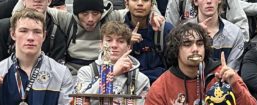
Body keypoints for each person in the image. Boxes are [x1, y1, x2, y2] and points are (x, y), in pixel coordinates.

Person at [18, 0, 163, 75]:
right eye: (85, 14)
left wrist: (155, 13)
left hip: (107, 72)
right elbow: (37, 6)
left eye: (95, 13)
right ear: (76, 13)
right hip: (73, 76)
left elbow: (138, 8)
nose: (90, 19)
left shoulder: (111, 18)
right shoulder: (67, 20)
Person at [0, 0, 67, 84]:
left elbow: (57, 78)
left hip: (41, 93)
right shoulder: (2, 28)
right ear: (13, 34)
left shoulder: (57, 33)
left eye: (37, 32)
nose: (30, 37)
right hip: (4, 92)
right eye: (23, 31)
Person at [119, 0, 174, 83]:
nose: (140, 3)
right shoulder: (117, 32)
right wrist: (126, 44)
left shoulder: (164, 30)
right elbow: (110, 65)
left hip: (159, 86)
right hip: (127, 88)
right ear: (126, 2)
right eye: (135, 0)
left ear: (152, 4)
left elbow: (175, 66)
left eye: (145, 0)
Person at [188, 0, 245, 71]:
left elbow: (232, 72)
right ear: (195, 1)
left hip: (224, 80)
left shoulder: (235, 33)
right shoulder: (183, 32)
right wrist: (197, 35)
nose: (208, 1)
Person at [165, 0, 250, 42]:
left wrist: (231, 42)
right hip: (189, 51)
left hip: (225, 48)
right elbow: (170, 33)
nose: (209, 1)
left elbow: (242, 27)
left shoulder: (233, 31)